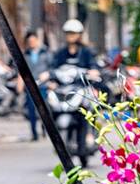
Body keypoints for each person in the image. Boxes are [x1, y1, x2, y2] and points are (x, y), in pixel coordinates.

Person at [50, 19, 100, 163]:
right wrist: (50, 78)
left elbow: (93, 66)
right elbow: (53, 67)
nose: (70, 36)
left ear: (79, 35)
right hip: (65, 89)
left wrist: (94, 72)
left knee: (91, 107)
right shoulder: (60, 53)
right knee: (50, 103)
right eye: (68, 33)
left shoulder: (86, 52)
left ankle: (90, 136)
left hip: (81, 88)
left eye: (73, 33)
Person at [17, 29, 52, 141]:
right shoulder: (25, 55)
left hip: (43, 85)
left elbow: (52, 68)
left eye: (33, 40)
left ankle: (44, 128)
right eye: (30, 41)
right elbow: (21, 70)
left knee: (44, 109)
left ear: (37, 40)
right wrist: (20, 83)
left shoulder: (45, 53)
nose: (32, 43)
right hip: (30, 86)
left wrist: (48, 76)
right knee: (31, 110)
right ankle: (34, 133)